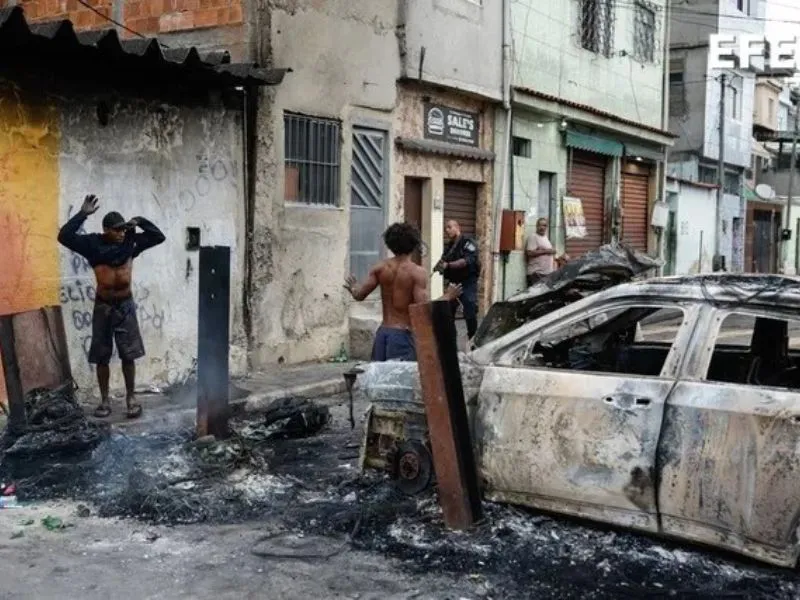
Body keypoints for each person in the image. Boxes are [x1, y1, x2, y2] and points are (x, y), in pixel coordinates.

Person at [57, 194, 165, 419]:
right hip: (104, 306)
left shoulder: (130, 244)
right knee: (102, 355)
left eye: (123, 229)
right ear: (106, 229)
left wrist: (140, 221)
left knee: (129, 354)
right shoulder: (92, 245)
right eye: (116, 230)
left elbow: (158, 237)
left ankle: (131, 398)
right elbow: (64, 236)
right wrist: (83, 214)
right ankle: (105, 400)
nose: (121, 234)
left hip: (125, 306)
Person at [344, 222, 461, 361]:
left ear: (390, 244)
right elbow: (423, 310)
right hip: (402, 336)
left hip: (383, 333)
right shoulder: (417, 273)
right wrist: (447, 296)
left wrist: (354, 287)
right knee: (399, 381)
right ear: (414, 245)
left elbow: (359, 296)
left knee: (379, 381)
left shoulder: (380, 268)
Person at [434, 219, 480, 341]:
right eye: (445, 228)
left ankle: (473, 339)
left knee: (470, 309)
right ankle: (450, 339)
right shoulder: (449, 246)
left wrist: (448, 265)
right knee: (448, 311)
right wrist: (439, 267)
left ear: (457, 227)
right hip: (454, 282)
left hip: (467, 282)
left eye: (449, 227)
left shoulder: (468, 243)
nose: (447, 230)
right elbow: (444, 260)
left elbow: (465, 262)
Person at [525, 217, 566, 287]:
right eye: (540, 225)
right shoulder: (533, 237)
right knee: (536, 296)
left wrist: (558, 258)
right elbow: (529, 253)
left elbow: (547, 254)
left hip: (546, 274)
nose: (542, 227)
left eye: (544, 225)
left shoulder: (545, 238)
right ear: (536, 226)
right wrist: (547, 251)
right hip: (536, 274)